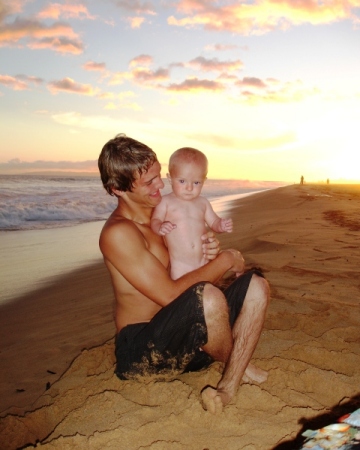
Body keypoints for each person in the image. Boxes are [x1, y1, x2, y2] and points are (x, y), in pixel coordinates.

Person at [98, 133, 270, 414]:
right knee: (209, 298)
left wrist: (209, 253)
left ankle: (228, 386)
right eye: (149, 182)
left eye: (159, 176)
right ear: (117, 188)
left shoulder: (166, 216)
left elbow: (192, 281)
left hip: (188, 344)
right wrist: (225, 260)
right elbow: (171, 295)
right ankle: (238, 363)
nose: (161, 186)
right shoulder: (119, 234)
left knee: (257, 286)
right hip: (145, 351)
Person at [151, 147, 233, 279]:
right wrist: (160, 227)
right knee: (186, 294)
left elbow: (213, 222)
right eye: (182, 181)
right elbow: (155, 220)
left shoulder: (203, 203)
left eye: (196, 182)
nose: (189, 188)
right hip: (180, 267)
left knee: (208, 291)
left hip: (204, 262)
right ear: (170, 179)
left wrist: (221, 225)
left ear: (203, 181)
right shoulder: (166, 202)